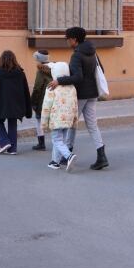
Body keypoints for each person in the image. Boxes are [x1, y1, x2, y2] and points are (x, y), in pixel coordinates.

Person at [48, 26, 108, 170]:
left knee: (71, 124)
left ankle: (66, 155)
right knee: (93, 125)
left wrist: (59, 81)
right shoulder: (93, 51)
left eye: (68, 39)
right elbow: (101, 70)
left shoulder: (77, 55)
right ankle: (102, 156)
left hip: (80, 95)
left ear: (74, 39)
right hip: (93, 93)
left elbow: (78, 77)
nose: (67, 42)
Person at [0, 50, 32, 154]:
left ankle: (5, 141)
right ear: (14, 59)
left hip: (0, 105)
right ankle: (13, 149)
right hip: (16, 105)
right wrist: (29, 111)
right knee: (12, 124)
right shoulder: (20, 73)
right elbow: (26, 92)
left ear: (1, 60)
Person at [40, 61, 79, 171]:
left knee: (57, 140)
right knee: (61, 140)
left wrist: (43, 123)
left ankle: (69, 156)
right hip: (68, 120)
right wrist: (74, 121)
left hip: (56, 120)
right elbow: (75, 105)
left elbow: (46, 106)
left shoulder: (51, 87)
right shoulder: (72, 88)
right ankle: (55, 162)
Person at [30, 50, 53, 151]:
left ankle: (41, 143)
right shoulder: (55, 68)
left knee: (39, 121)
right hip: (54, 97)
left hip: (43, 100)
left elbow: (37, 88)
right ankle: (59, 142)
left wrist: (33, 102)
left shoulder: (41, 71)